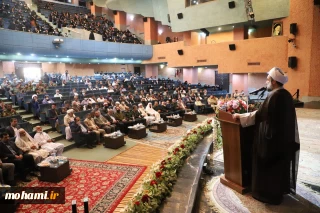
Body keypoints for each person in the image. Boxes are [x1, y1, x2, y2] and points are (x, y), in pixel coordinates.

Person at [233, 67, 300, 205]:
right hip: (283, 140)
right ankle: (278, 192)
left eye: (268, 79)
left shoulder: (274, 96)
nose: (266, 81)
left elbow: (259, 115)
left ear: (274, 82)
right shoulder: (286, 95)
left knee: (268, 167)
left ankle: (266, 194)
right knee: (278, 168)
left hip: (272, 141)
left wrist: (240, 116)